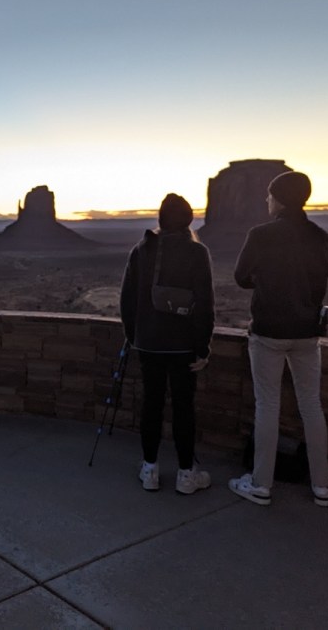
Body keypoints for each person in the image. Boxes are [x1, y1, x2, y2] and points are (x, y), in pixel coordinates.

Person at [228, 170, 328, 507]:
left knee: (268, 405)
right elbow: (321, 285)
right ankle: (323, 486)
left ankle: (261, 484)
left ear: (280, 198)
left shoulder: (260, 235)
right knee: (311, 405)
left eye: (270, 195)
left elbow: (240, 276)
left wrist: (265, 282)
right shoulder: (320, 237)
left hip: (268, 332)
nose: (266, 200)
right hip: (307, 333)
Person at [119, 194, 216, 494]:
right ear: (188, 219)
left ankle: (150, 470)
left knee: (152, 404)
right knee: (184, 407)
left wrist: (135, 336)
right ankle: (186, 475)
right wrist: (203, 347)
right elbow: (205, 305)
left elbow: (126, 299)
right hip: (184, 346)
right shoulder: (197, 252)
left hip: (149, 344)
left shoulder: (142, 249)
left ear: (160, 218)